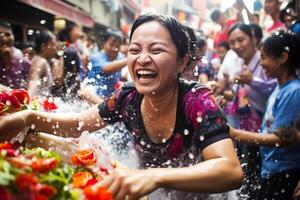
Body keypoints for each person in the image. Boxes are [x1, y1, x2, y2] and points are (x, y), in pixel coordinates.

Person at [0, 14, 243, 200]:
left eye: (156, 50)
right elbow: (76, 125)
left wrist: (153, 175)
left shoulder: (196, 101)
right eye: (135, 50)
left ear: (182, 62)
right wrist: (27, 117)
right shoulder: (129, 98)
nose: (142, 58)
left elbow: (230, 171)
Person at [230, 30, 300, 200]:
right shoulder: (280, 88)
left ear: (283, 58)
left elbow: (282, 138)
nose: (261, 64)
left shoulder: (293, 91)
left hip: (285, 172)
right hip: (272, 168)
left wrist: (236, 134)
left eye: (264, 57)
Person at [87, 29, 127, 98]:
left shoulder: (120, 57)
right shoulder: (96, 57)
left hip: (110, 96)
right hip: (94, 95)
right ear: (104, 44)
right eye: (111, 45)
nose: (114, 48)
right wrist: (129, 59)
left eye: (117, 46)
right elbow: (107, 68)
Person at [0, 21, 31, 91]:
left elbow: (31, 83)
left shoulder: (23, 61)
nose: (3, 38)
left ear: (13, 36)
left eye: (7, 34)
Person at [27, 30, 57, 97]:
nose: (55, 48)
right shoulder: (41, 61)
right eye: (52, 44)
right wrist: (27, 99)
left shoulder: (37, 59)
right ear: (43, 45)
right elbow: (33, 81)